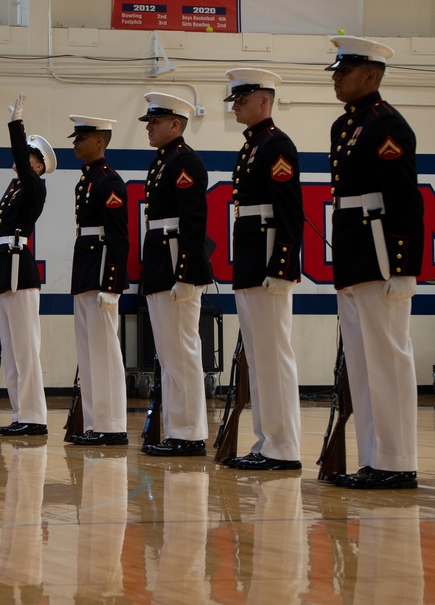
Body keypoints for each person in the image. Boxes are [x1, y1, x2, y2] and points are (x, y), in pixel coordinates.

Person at [324, 36, 422, 490]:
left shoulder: (387, 125)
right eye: (337, 70)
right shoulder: (345, 127)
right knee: (361, 365)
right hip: (353, 253)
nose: (337, 76)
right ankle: (373, 458)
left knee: (388, 359)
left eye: (345, 70)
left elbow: (404, 199)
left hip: (381, 255)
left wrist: (404, 267)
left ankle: (398, 459)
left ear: (371, 75)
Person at [220, 68, 304, 471]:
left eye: (242, 99)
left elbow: (289, 210)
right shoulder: (254, 146)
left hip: (269, 257)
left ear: (263, 101)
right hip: (252, 256)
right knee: (258, 356)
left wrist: (283, 264)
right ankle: (267, 441)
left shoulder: (276, 145)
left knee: (273, 355)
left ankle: (284, 446)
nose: (235, 105)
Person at [137, 92, 213, 457]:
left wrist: (184, 274)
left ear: (175, 125)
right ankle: (178, 429)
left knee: (182, 350)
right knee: (169, 353)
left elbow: (193, 222)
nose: (149, 127)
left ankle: (190, 432)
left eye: (155, 121)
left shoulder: (185, 162)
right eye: (149, 121)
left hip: (174, 262)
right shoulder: (163, 162)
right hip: (158, 260)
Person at [66, 115, 131, 446]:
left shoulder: (109, 182)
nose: (75, 143)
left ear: (100, 142)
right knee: (89, 352)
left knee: (105, 351)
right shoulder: (88, 180)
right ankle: (95, 422)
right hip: (86, 270)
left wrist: (111, 283)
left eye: (81, 138)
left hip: (101, 272)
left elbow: (118, 238)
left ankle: (113, 424)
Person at [0, 94, 55, 437]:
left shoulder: (35, 187)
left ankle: (34, 416)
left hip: (20, 270)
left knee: (25, 348)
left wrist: (17, 127)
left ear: (38, 165)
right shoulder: (16, 187)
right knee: (12, 349)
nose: (20, 158)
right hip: (5, 269)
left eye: (28, 155)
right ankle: (21, 414)